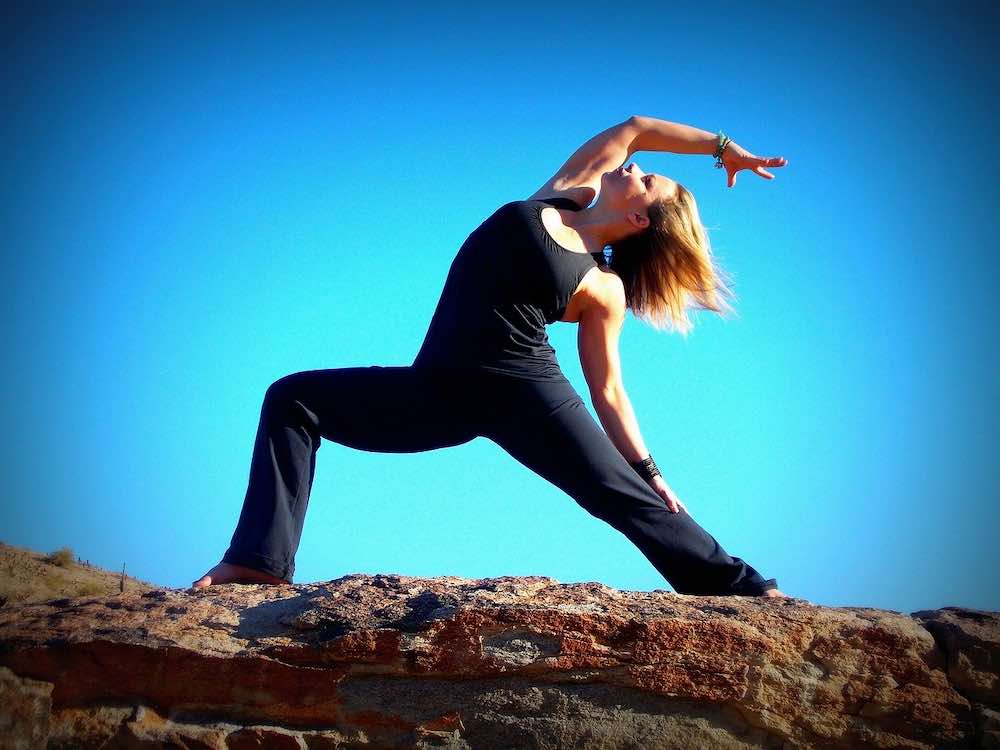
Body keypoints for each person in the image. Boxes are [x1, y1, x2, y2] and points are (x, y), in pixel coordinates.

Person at [191, 115, 792, 598]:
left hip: (526, 394)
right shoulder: (563, 195)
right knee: (292, 398)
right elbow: (634, 127)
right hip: (436, 392)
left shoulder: (603, 288)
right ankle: (260, 561)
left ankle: (740, 587)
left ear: (639, 218)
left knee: (622, 497)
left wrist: (651, 471)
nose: (635, 168)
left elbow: (608, 390)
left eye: (647, 181)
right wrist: (722, 148)